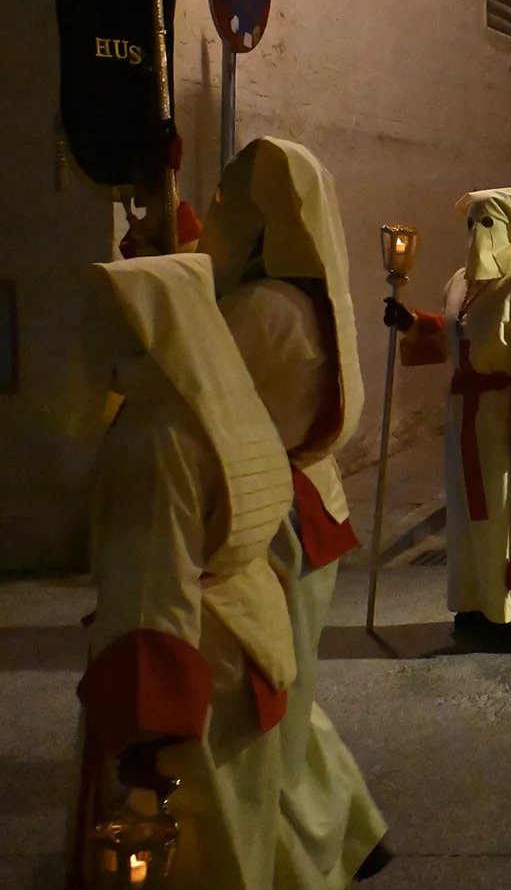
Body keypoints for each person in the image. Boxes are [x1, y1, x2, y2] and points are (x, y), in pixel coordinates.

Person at [199, 138, 391, 884]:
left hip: (261, 520)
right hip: (310, 506)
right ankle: (351, 826)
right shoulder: (317, 303)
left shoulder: (258, 310)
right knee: (292, 687)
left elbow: (194, 397)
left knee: (262, 706)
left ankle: (302, 852)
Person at [75, 254, 298, 890]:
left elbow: (153, 579)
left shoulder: (156, 433)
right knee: (242, 832)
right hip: (249, 637)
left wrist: (147, 726)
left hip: (194, 662)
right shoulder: (224, 402)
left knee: (196, 853)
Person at [387, 187, 511, 650]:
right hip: (464, 414)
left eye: (488, 223)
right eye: (471, 222)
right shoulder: (459, 283)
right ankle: (473, 600)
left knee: (504, 512)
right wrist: (412, 322)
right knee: (467, 511)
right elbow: (455, 337)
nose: (478, 232)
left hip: (506, 416)